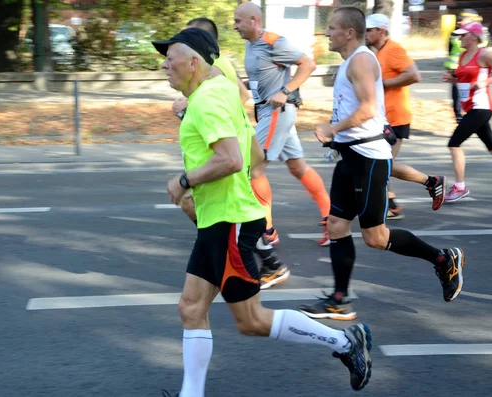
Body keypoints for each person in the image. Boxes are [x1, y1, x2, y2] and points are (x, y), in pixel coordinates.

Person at [153, 27, 372, 397]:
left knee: (251, 320)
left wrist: (185, 182)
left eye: (170, 59)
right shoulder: (221, 89)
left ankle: (346, 341)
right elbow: (253, 155)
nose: (164, 66)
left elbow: (232, 158)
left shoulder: (206, 102)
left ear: (193, 62)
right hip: (222, 218)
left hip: (229, 221)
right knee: (191, 308)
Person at [298, 7, 465, 321]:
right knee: (336, 226)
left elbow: (368, 109)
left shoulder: (361, 59)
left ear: (349, 32)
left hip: (368, 159)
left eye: (332, 28)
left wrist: (331, 129)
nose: (327, 33)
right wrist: (337, 137)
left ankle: (443, 259)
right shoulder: (352, 61)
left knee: (376, 237)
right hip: (350, 156)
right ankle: (339, 299)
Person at [173, 17, 288, 290]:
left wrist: (186, 110)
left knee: (252, 319)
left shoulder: (214, 70)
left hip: (229, 159)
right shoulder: (216, 70)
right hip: (236, 149)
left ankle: (264, 257)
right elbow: (239, 100)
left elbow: (232, 102)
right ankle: (239, 247)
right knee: (192, 307)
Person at [234, 2, 332, 250]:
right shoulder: (250, 44)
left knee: (252, 168)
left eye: (238, 21)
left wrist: (285, 90)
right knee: (298, 167)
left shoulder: (274, 41)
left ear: (254, 20)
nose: (234, 26)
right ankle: (331, 221)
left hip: (277, 112)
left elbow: (308, 63)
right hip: (270, 113)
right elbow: (261, 77)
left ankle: (267, 230)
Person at [365, 13, 446, 218]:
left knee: (383, 165)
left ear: (381, 31)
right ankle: (391, 204)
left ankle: (432, 181)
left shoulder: (394, 50)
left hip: (396, 118)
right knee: (382, 164)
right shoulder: (378, 52)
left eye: (369, 30)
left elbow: (414, 75)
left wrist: (382, 85)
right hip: (383, 118)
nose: (365, 34)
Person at [442, 21, 492, 203]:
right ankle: (460, 187)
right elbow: (464, 81)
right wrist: (453, 80)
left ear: (474, 37)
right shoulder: (462, 56)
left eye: (463, 35)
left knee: (454, 143)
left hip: (481, 107)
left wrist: (486, 82)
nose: (460, 38)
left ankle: (460, 187)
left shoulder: (484, 55)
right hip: (471, 107)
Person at [445, 9, 488, 124]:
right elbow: (450, 50)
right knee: (459, 96)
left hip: (474, 69)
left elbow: (481, 47)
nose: (459, 22)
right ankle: (460, 118)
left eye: (462, 19)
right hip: (456, 68)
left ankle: (474, 121)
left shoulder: (479, 33)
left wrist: (487, 81)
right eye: (459, 20)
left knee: (475, 98)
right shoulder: (455, 33)